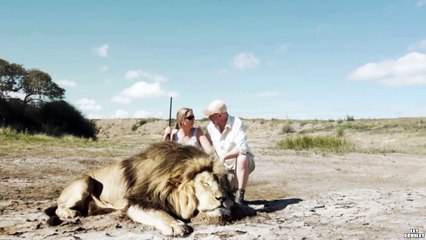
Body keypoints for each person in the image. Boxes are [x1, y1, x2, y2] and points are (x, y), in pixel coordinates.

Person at [203, 100, 255, 204]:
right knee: (226, 196)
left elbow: (242, 148)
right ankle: (230, 191)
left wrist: (225, 156)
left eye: (211, 115)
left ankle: (240, 196)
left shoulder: (236, 123)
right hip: (223, 169)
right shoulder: (210, 127)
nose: (209, 118)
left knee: (242, 158)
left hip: (239, 166)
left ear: (220, 115)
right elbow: (205, 145)